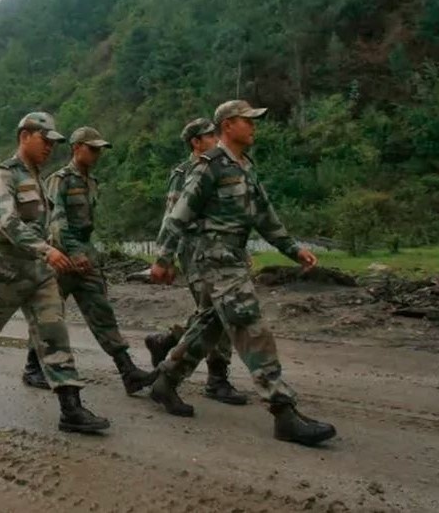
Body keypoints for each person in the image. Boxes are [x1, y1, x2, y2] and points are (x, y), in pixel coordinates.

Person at [149, 100, 337, 446]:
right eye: (247, 121)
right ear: (228, 125)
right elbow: (178, 216)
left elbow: (265, 216)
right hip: (214, 261)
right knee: (253, 328)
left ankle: (166, 379)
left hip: (234, 258)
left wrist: (293, 249)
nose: (253, 126)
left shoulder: (246, 167)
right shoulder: (209, 167)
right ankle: (283, 412)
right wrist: (163, 259)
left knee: (211, 324)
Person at [0, 112, 110, 434]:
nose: (49, 148)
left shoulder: (38, 177)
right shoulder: (4, 175)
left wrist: (53, 252)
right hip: (5, 270)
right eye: (45, 141)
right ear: (24, 136)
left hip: (39, 272)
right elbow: (8, 221)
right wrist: (47, 249)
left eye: (53, 143)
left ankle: (70, 407)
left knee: (54, 331)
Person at [21, 127, 155, 395]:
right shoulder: (59, 180)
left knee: (101, 310)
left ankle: (127, 371)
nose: (97, 154)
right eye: (92, 149)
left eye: (99, 150)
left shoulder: (92, 182)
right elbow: (56, 221)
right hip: (60, 257)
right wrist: (73, 252)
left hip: (85, 255)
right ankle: (33, 368)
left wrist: (86, 253)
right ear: (76, 148)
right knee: (49, 315)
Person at [144, 118, 246, 406]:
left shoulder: (224, 167)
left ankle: (168, 341)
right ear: (196, 142)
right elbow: (173, 216)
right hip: (194, 251)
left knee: (211, 311)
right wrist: (165, 257)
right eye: (210, 136)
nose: (216, 139)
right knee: (220, 311)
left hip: (222, 252)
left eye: (217, 134)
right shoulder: (185, 173)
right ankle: (216, 379)